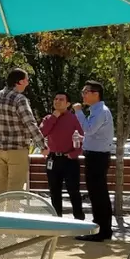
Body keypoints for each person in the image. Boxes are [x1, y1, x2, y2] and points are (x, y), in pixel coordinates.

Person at [0, 68, 46, 196]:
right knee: (15, 186)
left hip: (0, 149)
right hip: (17, 149)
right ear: (20, 82)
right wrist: (42, 145)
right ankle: (12, 214)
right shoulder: (20, 99)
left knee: (0, 184)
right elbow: (29, 123)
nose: (28, 82)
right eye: (27, 80)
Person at [73, 81, 115, 242]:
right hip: (95, 155)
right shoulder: (96, 111)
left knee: (98, 194)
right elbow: (93, 133)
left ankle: (102, 230)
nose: (83, 95)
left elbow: (89, 128)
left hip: (98, 157)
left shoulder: (100, 111)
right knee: (97, 194)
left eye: (85, 91)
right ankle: (102, 228)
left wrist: (78, 112)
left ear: (95, 94)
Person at [40, 91, 85, 219]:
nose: (57, 101)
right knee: (54, 192)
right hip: (53, 159)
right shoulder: (48, 118)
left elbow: (82, 137)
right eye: (55, 98)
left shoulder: (73, 118)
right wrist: (54, 117)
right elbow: (41, 133)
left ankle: (79, 220)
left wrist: (74, 154)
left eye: (61, 99)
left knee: (74, 191)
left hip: (69, 160)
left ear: (68, 103)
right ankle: (56, 219)